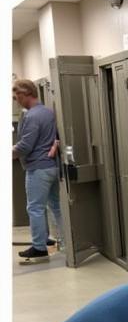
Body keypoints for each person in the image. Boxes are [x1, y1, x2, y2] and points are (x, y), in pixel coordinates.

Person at [12, 79, 62, 264]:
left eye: (17, 96)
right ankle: (63, 242)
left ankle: (39, 247)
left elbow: (25, 146)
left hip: (38, 168)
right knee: (55, 207)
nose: (16, 100)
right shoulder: (48, 112)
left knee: (35, 208)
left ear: (25, 94)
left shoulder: (32, 116)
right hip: (51, 166)